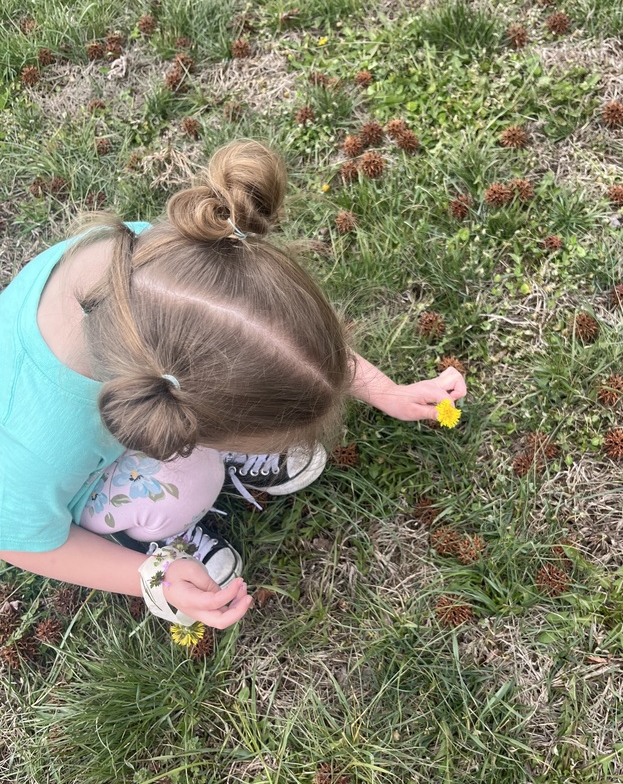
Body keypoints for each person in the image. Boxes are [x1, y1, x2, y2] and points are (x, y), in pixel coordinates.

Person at [0, 140, 466, 630]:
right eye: (241, 434)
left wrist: (385, 390)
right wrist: (152, 576)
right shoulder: (29, 447)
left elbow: (268, 340)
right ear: (181, 416)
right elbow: (23, 541)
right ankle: (147, 527)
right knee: (192, 481)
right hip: (75, 476)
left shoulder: (161, 267)